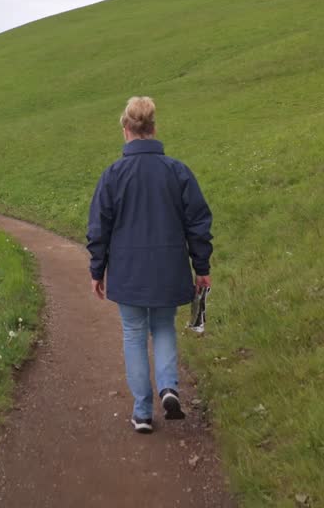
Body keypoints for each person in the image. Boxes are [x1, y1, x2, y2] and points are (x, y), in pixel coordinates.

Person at [87, 96, 213, 434]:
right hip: (169, 268)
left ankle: (142, 412)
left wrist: (97, 270)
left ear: (126, 130)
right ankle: (169, 387)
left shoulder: (112, 175)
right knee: (163, 328)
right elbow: (198, 223)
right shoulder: (177, 171)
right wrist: (201, 267)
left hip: (128, 272)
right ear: (153, 129)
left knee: (133, 333)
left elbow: (99, 227)